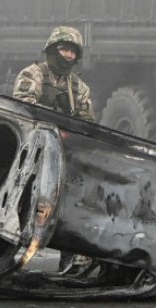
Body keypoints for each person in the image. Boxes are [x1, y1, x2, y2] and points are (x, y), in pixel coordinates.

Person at [13, 26, 95, 273]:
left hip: (61, 155)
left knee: (66, 208)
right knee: (21, 206)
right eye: (63, 49)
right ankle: (3, 256)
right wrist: (55, 120)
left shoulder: (78, 87)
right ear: (52, 49)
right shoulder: (33, 74)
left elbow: (87, 121)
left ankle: (68, 260)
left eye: (72, 52)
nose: (68, 55)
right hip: (32, 153)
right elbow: (22, 108)